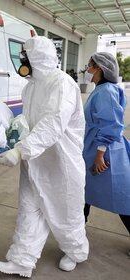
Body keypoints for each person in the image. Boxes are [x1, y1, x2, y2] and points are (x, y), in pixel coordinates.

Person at [0, 36, 89, 277]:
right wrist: (14, 134)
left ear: (38, 59)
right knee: (29, 208)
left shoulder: (62, 84)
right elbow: (30, 120)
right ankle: (22, 260)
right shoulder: (30, 87)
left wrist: (20, 150)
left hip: (61, 162)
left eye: (26, 57)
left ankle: (75, 252)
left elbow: (53, 123)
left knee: (65, 211)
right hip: (35, 160)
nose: (22, 62)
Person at [82, 53, 130, 237]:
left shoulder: (106, 91)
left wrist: (100, 154)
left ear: (99, 69)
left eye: (89, 66)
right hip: (97, 146)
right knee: (84, 191)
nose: (87, 69)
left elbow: (111, 124)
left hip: (103, 149)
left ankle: (77, 229)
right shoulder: (103, 89)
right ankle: (77, 231)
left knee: (120, 195)